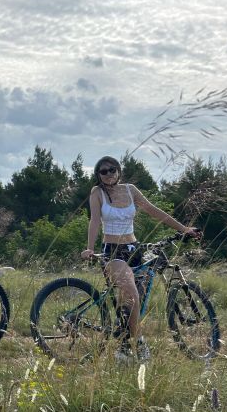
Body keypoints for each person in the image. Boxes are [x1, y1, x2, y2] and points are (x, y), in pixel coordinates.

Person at [80, 156, 199, 363]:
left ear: (119, 171)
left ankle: (124, 348)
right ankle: (140, 342)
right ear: (98, 175)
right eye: (104, 171)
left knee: (135, 301)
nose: (109, 174)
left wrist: (183, 228)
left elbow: (154, 211)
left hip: (135, 249)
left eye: (112, 169)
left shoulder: (130, 190)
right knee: (132, 292)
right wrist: (89, 248)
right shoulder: (97, 193)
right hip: (113, 251)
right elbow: (95, 221)